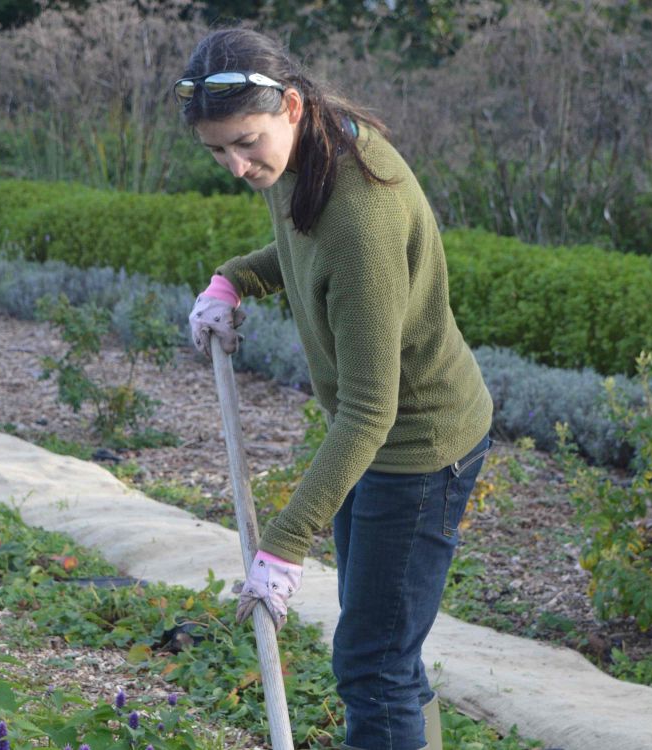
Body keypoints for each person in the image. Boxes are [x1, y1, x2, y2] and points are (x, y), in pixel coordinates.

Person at [178, 28, 493, 750]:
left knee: (371, 663)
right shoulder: (306, 150)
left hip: (419, 446)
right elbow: (299, 248)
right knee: (383, 642)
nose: (235, 165)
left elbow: (370, 411)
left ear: (290, 104)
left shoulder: (361, 213)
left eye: (246, 143)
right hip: (382, 438)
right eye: (218, 150)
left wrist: (283, 548)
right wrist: (235, 277)